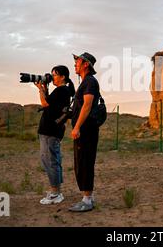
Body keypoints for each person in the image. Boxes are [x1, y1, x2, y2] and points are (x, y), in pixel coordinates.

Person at [35, 65, 75, 205]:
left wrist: (40, 89)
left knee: (51, 160)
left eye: (55, 74)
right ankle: (55, 191)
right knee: (49, 160)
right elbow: (50, 105)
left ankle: (56, 193)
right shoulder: (62, 91)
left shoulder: (62, 90)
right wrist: (44, 89)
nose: (52, 77)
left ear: (63, 76)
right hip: (50, 130)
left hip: (51, 130)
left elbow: (45, 104)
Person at [68, 52, 101, 212]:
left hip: (86, 130)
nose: (75, 64)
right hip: (85, 130)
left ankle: (87, 200)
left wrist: (77, 127)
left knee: (85, 162)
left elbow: (87, 105)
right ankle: (88, 197)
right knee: (81, 161)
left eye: (77, 61)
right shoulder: (86, 82)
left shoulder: (90, 82)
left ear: (86, 64)